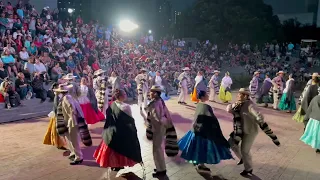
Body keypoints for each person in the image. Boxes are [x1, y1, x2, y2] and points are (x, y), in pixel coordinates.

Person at [226, 88, 280, 176]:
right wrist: (229, 107)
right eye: (239, 94)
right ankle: (242, 159)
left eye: (240, 94)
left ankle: (248, 169)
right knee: (232, 144)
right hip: (239, 130)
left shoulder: (250, 105)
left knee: (245, 150)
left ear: (245, 96)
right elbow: (230, 109)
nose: (238, 95)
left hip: (249, 131)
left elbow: (257, 113)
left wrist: (259, 118)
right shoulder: (237, 105)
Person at [178, 90, 233, 171]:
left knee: (196, 147)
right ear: (203, 97)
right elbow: (211, 119)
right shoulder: (206, 106)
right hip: (203, 131)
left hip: (196, 128)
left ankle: (196, 161)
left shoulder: (199, 105)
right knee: (201, 148)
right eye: (206, 94)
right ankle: (201, 164)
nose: (208, 95)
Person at [93, 89, 143, 172]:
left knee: (113, 149)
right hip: (122, 132)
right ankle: (119, 164)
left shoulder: (112, 105)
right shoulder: (126, 107)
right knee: (122, 149)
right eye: (124, 94)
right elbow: (129, 121)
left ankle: (114, 165)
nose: (126, 95)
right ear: (120, 96)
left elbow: (108, 119)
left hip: (112, 131)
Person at [145, 85, 178, 177]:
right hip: (161, 128)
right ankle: (160, 167)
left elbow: (157, 117)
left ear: (155, 93)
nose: (150, 93)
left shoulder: (155, 103)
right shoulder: (159, 101)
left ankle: (161, 170)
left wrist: (153, 123)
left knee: (157, 149)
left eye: (151, 92)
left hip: (158, 129)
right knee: (158, 148)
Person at [43, 83, 67, 150]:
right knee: (57, 131)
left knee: (58, 131)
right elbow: (56, 107)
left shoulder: (59, 95)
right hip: (57, 116)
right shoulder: (57, 97)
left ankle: (60, 143)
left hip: (58, 115)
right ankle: (59, 144)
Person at [300, 87, 320, 154]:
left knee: (316, 134)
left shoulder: (315, 98)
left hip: (315, 120)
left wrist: (306, 118)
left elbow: (309, 109)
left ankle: (318, 147)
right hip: (317, 119)